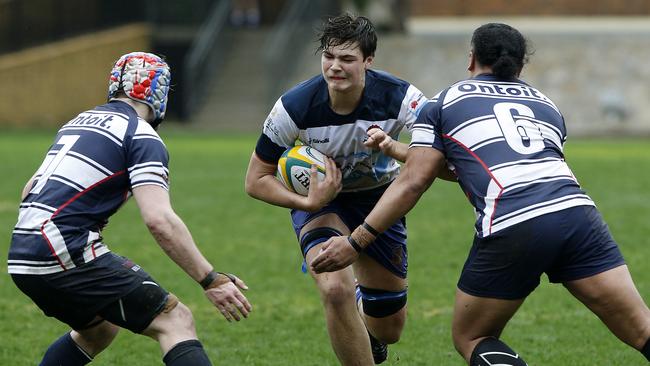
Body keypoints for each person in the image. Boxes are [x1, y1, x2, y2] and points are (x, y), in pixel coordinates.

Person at [311, 23, 650, 365]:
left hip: (514, 218)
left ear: (471, 59)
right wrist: (395, 148)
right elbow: (484, 159)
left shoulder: (445, 101)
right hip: (578, 215)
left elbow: (415, 180)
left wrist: (355, 243)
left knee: (471, 336)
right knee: (641, 328)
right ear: (520, 66)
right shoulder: (548, 106)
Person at [8, 52, 252, 366]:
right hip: (60, 247)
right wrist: (210, 279)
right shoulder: (140, 134)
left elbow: (29, 190)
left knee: (99, 330)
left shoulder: (77, 122)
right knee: (175, 321)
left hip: (22, 252)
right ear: (159, 92)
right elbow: (159, 220)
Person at [244, 14, 429, 365]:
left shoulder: (401, 97)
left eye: (347, 59)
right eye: (329, 57)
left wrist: (392, 147)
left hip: (379, 200)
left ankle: (364, 312)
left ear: (368, 61)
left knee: (389, 328)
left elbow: (430, 161)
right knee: (332, 287)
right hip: (321, 204)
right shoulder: (294, 107)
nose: (335, 67)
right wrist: (306, 200)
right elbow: (255, 180)